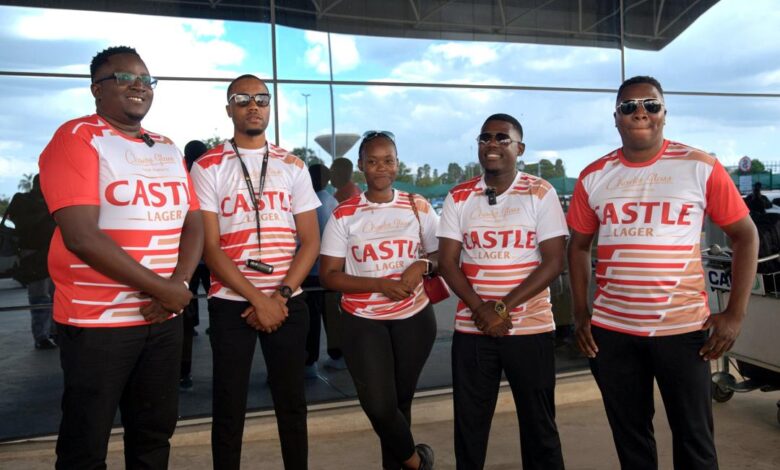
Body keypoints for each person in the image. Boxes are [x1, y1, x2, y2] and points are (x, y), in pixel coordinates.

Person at [567, 76, 759, 470]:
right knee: (631, 441)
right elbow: (578, 246)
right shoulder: (593, 176)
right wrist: (581, 312)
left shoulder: (700, 167)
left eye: (650, 105)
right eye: (629, 106)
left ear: (664, 113)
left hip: (684, 331)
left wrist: (735, 314)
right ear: (616, 118)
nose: (640, 112)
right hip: (613, 333)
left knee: (695, 441)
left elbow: (746, 236)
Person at [38, 46, 203, 469]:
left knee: (154, 436)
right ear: (97, 89)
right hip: (98, 323)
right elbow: (81, 237)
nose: (138, 86)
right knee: (85, 445)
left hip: (162, 318)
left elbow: (194, 223)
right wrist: (167, 289)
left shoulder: (166, 146)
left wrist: (180, 285)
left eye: (145, 79)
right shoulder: (76, 138)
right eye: (125, 77)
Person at [189, 74, 320, 470]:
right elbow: (210, 248)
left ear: (270, 107)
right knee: (229, 407)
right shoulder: (207, 166)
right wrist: (257, 300)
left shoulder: (292, 165)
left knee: (292, 405)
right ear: (228, 108)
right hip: (232, 303)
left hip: (287, 300)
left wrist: (278, 297)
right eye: (242, 98)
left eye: (261, 99)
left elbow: (310, 242)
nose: (253, 106)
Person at [437, 113, 568, 470]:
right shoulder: (459, 196)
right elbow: (447, 262)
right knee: (470, 427)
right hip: (472, 330)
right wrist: (481, 309)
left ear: (519, 149)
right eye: (485, 138)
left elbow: (554, 261)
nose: (491, 144)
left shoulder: (540, 192)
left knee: (540, 428)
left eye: (501, 138)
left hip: (530, 328)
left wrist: (501, 308)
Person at [320, 131, 437, 470]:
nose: (381, 167)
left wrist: (422, 265)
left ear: (397, 164)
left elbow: (441, 255)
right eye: (373, 161)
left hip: (414, 319)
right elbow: (329, 276)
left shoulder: (417, 206)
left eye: (388, 160)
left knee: (401, 403)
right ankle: (417, 462)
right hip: (363, 321)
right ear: (361, 165)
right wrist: (379, 285)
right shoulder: (345, 213)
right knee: (379, 406)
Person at [6, 174, 57, 349]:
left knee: (51, 297)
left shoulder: (28, 201)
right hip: (35, 254)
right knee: (41, 297)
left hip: (46, 251)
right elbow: (22, 222)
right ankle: (43, 336)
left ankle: (50, 332)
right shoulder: (25, 201)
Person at [302, 163, 344, 377]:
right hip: (331, 270)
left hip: (309, 272)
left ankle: (309, 362)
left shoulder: (307, 203)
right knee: (332, 316)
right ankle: (338, 356)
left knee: (310, 320)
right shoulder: (333, 202)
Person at [180, 139, 211, 390]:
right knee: (218, 303)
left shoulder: (182, 180)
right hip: (210, 257)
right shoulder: (210, 177)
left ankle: (184, 373)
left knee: (185, 311)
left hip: (187, 258)